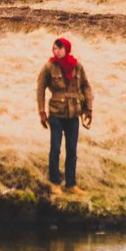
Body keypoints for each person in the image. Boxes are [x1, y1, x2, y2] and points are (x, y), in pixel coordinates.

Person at [37, 35, 94, 192]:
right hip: (56, 113)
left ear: (66, 49)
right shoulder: (49, 67)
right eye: (55, 48)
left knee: (72, 150)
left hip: (73, 115)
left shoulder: (77, 66)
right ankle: (54, 183)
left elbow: (86, 87)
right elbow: (40, 89)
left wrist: (89, 108)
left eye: (60, 48)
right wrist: (42, 112)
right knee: (55, 148)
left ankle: (71, 184)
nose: (57, 51)